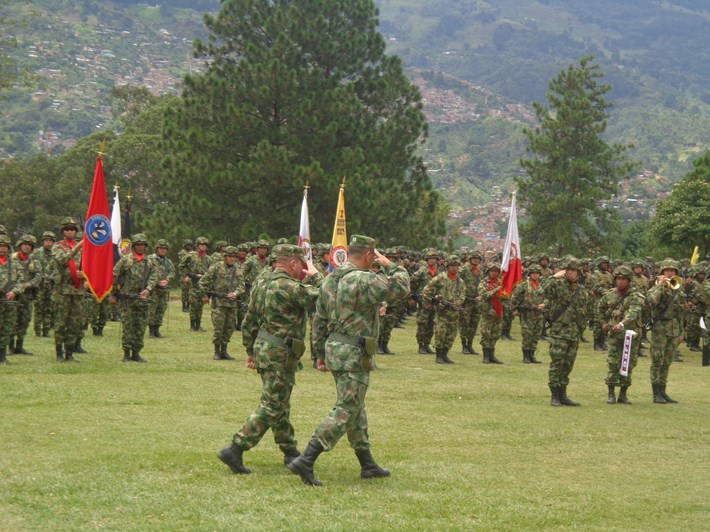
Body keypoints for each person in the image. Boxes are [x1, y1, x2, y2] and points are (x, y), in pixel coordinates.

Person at [288, 235, 409, 486]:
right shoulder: (363, 279)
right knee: (347, 407)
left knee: (355, 406)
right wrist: (390, 264)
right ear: (368, 255)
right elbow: (401, 287)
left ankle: (367, 463)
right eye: (374, 257)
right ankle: (307, 458)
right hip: (354, 352)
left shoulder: (331, 277)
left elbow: (319, 317)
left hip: (335, 349)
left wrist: (319, 353)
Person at [218, 244, 322, 474]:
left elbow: (250, 319)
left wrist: (250, 350)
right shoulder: (289, 286)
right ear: (293, 263)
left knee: (279, 402)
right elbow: (324, 297)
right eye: (301, 265)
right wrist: (316, 276)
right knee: (272, 405)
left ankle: (290, 451)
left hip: (265, 348)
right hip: (279, 353)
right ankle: (235, 448)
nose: (303, 270)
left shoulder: (262, 283)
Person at [542, 257, 589, 406]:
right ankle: (554, 395)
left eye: (573, 270)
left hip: (574, 333)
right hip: (560, 332)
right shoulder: (557, 285)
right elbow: (542, 291)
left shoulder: (581, 291)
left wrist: (581, 328)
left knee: (568, 364)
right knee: (557, 363)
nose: (570, 272)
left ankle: (563, 394)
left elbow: (584, 310)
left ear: (578, 273)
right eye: (567, 270)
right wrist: (553, 277)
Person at [596, 265, 645, 404]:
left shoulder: (636, 295)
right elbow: (599, 309)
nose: (620, 281)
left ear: (629, 280)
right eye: (618, 278)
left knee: (628, 363)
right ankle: (611, 393)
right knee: (612, 362)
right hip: (614, 335)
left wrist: (622, 323)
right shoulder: (610, 294)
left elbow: (633, 312)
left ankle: (623, 394)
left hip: (630, 334)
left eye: (623, 279)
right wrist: (603, 323)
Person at [110, 233, 158, 363]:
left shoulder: (150, 261)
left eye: (143, 245)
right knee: (128, 326)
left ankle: (136, 352)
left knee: (140, 326)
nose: (140, 247)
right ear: (134, 246)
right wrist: (113, 294)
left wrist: (148, 289)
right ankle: (126, 353)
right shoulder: (126, 260)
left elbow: (154, 277)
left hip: (143, 299)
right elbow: (114, 275)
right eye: (138, 245)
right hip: (128, 299)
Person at [645, 259, 686, 404]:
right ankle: (656, 393)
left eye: (673, 270)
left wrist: (681, 332)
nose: (670, 273)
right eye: (667, 270)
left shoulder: (677, 287)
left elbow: (680, 311)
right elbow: (650, 301)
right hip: (660, 328)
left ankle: (663, 391)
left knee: (667, 361)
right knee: (657, 360)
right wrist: (660, 285)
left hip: (674, 328)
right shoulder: (656, 286)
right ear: (662, 272)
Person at [199, 246, 246, 360]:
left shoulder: (238, 269)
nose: (232, 259)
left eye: (234, 256)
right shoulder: (216, 267)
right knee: (218, 328)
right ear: (225, 257)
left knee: (229, 328)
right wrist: (204, 295)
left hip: (232, 304)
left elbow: (242, 286)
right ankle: (216, 351)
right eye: (230, 256)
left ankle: (224, 351)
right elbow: (202, 282)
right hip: (219, 303)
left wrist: (235, 293)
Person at [51, 217, 85, 362]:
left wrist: (85, 275)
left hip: (77, 290)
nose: (70, 231)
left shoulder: (82, 247)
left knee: (75, 323)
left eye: (72, 229)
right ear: (63, 232)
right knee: (61, 323)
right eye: (67, 229)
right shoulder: (57, 246)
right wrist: (76, 248)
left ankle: (69, 353)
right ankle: (59, 353)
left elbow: (87, 265)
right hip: (62, 291)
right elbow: (62, 260)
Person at [421, 254, 464, 364]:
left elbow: (463, 294)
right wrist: (430, 302)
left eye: (456, 266)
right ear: (447, 266)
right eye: (452, 265)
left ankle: (445, 354)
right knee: (441, 333)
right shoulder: (440, 277)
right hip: (442, 312)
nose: (454, 267)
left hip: (454, 312)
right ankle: (439, 356)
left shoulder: (460, 281)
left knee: (451, 334)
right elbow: (427, 290)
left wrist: (458, 302)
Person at [10, 235, 41, 355]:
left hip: (27, 296)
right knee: (11, 321)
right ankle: (11, 346)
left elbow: (38, 277)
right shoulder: (11, 260)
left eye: (29, 245)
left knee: (25, 321)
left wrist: (28, 284)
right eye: (25, 244)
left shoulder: (34, 262)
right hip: (13, 296)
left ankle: (20, 346)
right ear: (20, 245)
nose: (27, 247)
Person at [511, 263, 545, 364]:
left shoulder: (542, 285)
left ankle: (532, 355)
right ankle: (526, 356)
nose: (535, 275)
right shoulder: (523, 285)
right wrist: (514, 309)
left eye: (537, 273)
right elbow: (514, 297)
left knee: (536, 335)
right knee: (527, 335)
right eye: (533, 273)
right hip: (527, 313)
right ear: (529, 274)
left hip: (538, 313)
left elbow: (547, 297)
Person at [411, 249, 441, 354]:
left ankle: (427, 344)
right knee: (422, 323)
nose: (432, 260)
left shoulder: (439, 272)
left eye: (434, 259)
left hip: (435, 301)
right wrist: (413, 296)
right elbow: (412, 282)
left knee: (431, 324)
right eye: (430, 259)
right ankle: (421, 345)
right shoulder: (422, 271)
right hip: (423, 300)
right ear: (427, 260)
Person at [180, 236, 212, 331]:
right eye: (201, 244)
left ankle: (198, 325)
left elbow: (211, 271)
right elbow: (182, 266)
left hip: (203, 284)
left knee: (200, 305)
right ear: (197, 245)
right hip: (193, 282)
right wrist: (186, 276)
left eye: (205, 245)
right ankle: (192, 326)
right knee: (193, 304)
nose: (203, 246)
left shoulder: (208, 258)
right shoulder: (191, 255)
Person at [0, 234, 23, 364]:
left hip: (9, 300)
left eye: (5, 246)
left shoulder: (14, 263)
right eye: (0, 246)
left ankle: (2, 356)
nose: (2, 249)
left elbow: (21, 280)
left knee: (7, 328)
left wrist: (15, 291)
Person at [478, 262, 506, 364]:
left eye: (496, 271)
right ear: (488, 272)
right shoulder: (484, 282)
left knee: (495, 334)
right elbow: (484, 295)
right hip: (488, 312)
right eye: (492, 271)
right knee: (486, 333)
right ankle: (486, 356)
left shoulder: (500, 282)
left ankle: (492, 355)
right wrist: (497, 290)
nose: (494, 273)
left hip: (498, 311)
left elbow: (506, 295)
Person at [148, 239, 175, 338]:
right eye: (161, 248)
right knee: (152, 310)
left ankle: (157, 330)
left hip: (163, 290)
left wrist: (167, 280)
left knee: (161, 309)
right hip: (153, 290)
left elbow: (172, 272)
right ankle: (151, 331)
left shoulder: (168, 262)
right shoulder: (150, 259)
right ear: (157, 249)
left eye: (165, 249)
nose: (163, 250)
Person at [459, 250, 484, 355]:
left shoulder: (480, 271)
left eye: (478, 259)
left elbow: (482, 285)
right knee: (465, 323)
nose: (476, 260)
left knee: (474, 324)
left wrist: (481, 295)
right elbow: (457, 282)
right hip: (466, 301)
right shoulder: (464, 269)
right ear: (470, 259)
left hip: (476, 301)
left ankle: (470, 345)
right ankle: (464, 346)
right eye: (474, 258)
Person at [32, 231, 55, 337]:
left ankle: (46, 330)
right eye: (46, 240)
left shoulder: (55, 254)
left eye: (50, 241)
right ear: (43, 242)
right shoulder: (36, 253)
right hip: (39, 285)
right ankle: (37, 330)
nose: (48, 243)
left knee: (49, 308)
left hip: (51, 285)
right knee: (38, 308)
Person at [177, 239, 194, 312]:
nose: (189, 247)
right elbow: (184, 262)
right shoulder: (182, 253)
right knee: (185, 290)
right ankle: (184, 306)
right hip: (184, 274)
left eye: (190, 245)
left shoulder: (191, 253)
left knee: (190, 290)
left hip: (190, 274)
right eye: (188, 245)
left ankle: (188, 305)